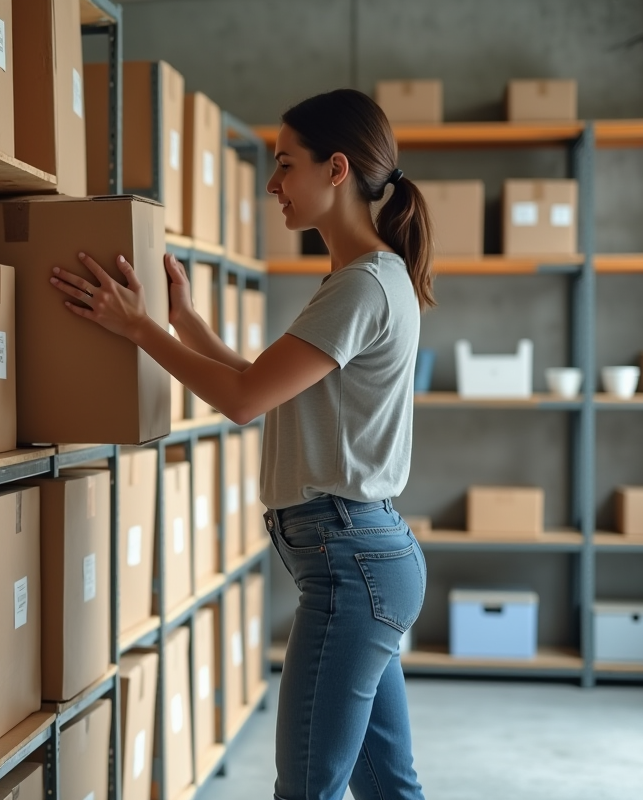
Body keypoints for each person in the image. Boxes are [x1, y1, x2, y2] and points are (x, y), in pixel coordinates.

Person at [49, 88, 431, 800]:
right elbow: (261, 384)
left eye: (286, 165)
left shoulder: (362, 286)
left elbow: (241, 401)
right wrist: (184, 322)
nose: (273, 184)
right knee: (388, 788)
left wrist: (139, 329)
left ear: (337, 170)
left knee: (309, 788)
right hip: (364, 559)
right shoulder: (365, 280)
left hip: (352, 567)